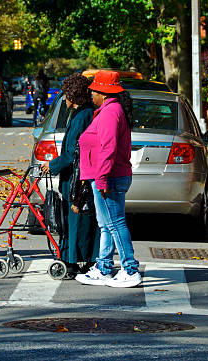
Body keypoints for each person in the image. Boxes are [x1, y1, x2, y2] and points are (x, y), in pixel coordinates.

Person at [74, 70, 141, 288]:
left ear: (102, 92)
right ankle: (103, 268)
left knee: (115, 224)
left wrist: (101, 179)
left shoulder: (111, 112)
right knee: (106, 225)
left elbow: (108, 148)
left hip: (108, 178)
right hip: (107, 176)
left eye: (93, 90)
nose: (91, 93)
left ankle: (130, 270)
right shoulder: (109, 110)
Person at [40, 73, 99, 278]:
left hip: (77, 177)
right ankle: (82, 258)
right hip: (78, 175)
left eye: (66, 94)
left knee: (75, 220)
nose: (64, 98)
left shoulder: (83, 115)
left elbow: (74, 151)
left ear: (73, 95)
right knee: (80, 219)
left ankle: (73, 260)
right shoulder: (83, 114)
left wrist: (53, 165)